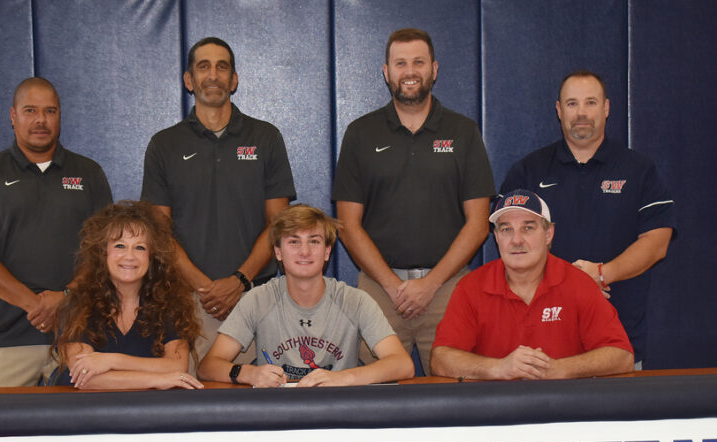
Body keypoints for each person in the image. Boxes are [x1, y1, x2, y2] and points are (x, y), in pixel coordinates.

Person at [332, 27, 495, 376]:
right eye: (400, 63)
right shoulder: (360, 133)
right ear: (386, 72)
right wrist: (393, 287)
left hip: (448, 289)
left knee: (456, 395)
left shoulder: (463, 131)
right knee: (373, 396)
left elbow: (479, 223)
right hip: (380, 292)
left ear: (434, 69)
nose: (410, 71)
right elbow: (347, 225)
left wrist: (430, 284)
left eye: (419, 62)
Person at [500, 70, 675, 367]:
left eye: (590, 102)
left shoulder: (639, 169)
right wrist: (568, 283)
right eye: (572, 104)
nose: (581, 113)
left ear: (606, 108)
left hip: (618, 341)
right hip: (542, 346)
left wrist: (603, 274)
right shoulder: (529, 171)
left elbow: (657, 243)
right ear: (559, 110)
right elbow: (509, 243)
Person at [141, 36, 296, 364]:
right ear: (189, 80)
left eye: (222, 67)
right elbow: (158, 231)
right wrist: (204, 288)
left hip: (255, 297)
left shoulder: (266, 138)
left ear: (234, 80)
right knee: (189, 393)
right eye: (203, 67)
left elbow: (279, 224)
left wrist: (239, 281)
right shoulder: (164, 145)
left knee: (255, 391)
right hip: (188, 300)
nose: (213, 75)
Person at [0, 77, 112, 387]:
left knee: (88, 420)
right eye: (30, 110)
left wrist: (65, 297)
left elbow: (105, 250)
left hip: (78, 334)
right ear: (13, 116)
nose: (41, 120)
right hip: (7, 336)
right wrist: (36, 305)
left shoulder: (88, 173)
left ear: (59, 116)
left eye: (49, 111)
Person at [198, 205, 414, 388]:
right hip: (277, 411)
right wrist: (249, 374)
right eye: (294, 241)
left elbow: (402, 364)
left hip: (337, 408)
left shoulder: (355, 301)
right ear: (278, 252)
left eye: (314, 241)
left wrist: (344, 378)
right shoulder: (258, 299)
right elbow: (208, 366)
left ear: (327, 251)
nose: (304, 251)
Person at [431, 189, 633, 380]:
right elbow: (440, 360)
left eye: (528, 228)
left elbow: (622, 357)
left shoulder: (578, 284)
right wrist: (499, 368)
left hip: (562, 402)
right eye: (506, 229)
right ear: (497, 237)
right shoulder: (471, 287)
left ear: (548, 234)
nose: (516, 240)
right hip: (497, 403)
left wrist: (560, 369)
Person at [51, 201, 202, 390]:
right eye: (120, 246)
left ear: (152, 256)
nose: (129, 256)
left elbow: (177, 367)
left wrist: (111, 361)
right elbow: (84, 378)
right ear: (103, 252)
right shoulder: (79, 302)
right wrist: (158, 380)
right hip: (86, 406)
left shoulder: (170, 302)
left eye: (140, 248)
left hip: (146, 407)